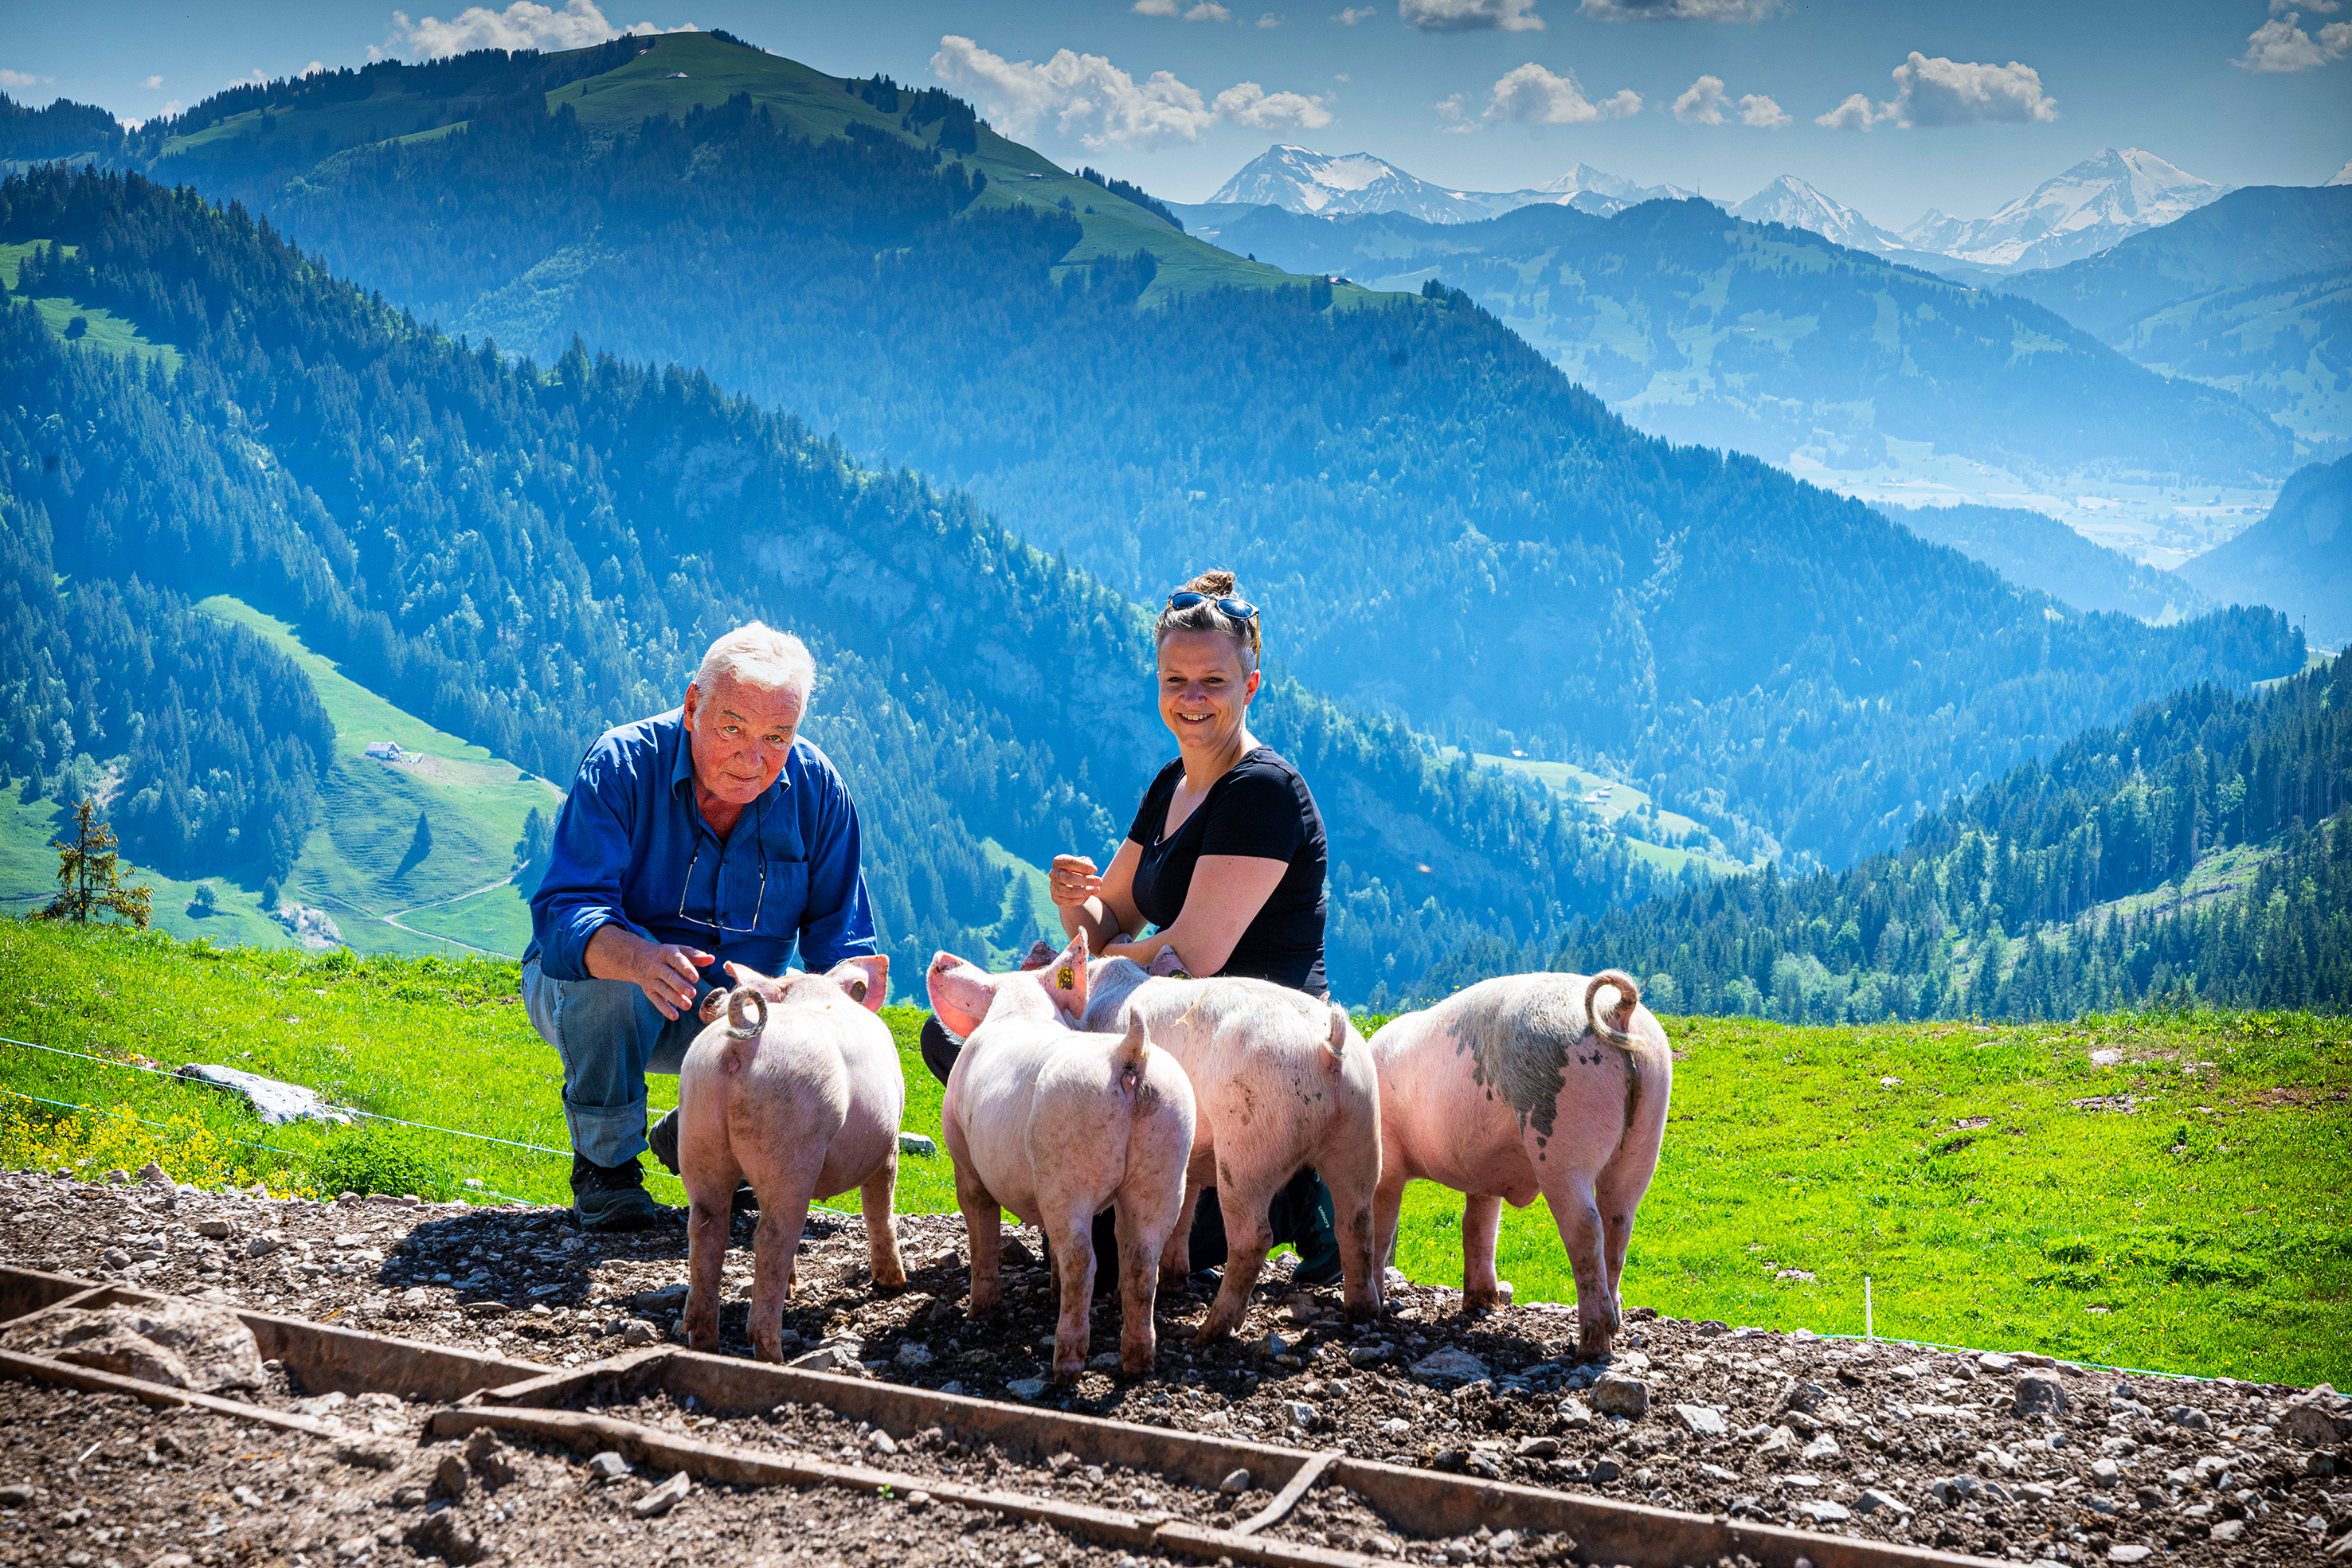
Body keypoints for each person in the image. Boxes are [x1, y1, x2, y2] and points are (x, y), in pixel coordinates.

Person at [923, 569, 1341, 1285]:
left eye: (1212, 680)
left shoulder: (1262, 791)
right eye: (1175, 679)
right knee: (962, 1039)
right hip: (1170, 1023)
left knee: (1125, 1242)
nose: (1191, 698)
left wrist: (1085, 962)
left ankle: (1294, 1185)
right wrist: (1073, 912)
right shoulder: (1170, 784)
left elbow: (1193, 952)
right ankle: (1086, 1179)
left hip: (1247, 1056)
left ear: (1251, 683)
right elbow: (1110, 912)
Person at [522, 623, 881, 1230]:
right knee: (610, 978)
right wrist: (638, 956)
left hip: (744, 1013)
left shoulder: (818, 791)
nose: (754, 758)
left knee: (818, 1017)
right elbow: (564, 915)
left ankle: (706, 1138)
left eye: (777, 736)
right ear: (693, 706)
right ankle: (605, 1168)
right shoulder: (622, 765)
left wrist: (840, 993)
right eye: (733, 727)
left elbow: (845, 946)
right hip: (617, 994)